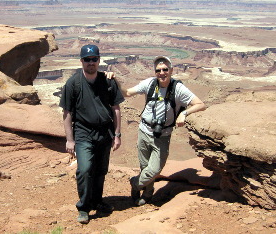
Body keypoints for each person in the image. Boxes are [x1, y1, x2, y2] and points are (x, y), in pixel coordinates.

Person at [120, 56, 206, 206]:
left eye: (165, 69)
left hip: (163, 136)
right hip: (143, 131)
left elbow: (200, 104)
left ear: (171, 70)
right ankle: (147, 194)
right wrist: (114, 79)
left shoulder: (177, 88)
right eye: (158, 70)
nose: (162, 72)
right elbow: (127, 93)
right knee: (144, 167)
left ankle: (135, 183)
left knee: (153, 170)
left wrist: (184, 113)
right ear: (155, 72)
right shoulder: (150, 83)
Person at [59, 44, 124, 224]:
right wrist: (69, 140)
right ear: (81, 61)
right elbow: (67, 113)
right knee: (85, 169)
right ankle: (84, 207)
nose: (91, 63)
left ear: (99, 60)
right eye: (87, 60)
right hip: (83, 132)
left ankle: (97, 200)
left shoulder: (108, 81)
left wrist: (117, 134)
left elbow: (116, 108)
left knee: (100, 170)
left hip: (105, 132)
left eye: (94, 59)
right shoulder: (73, 83)